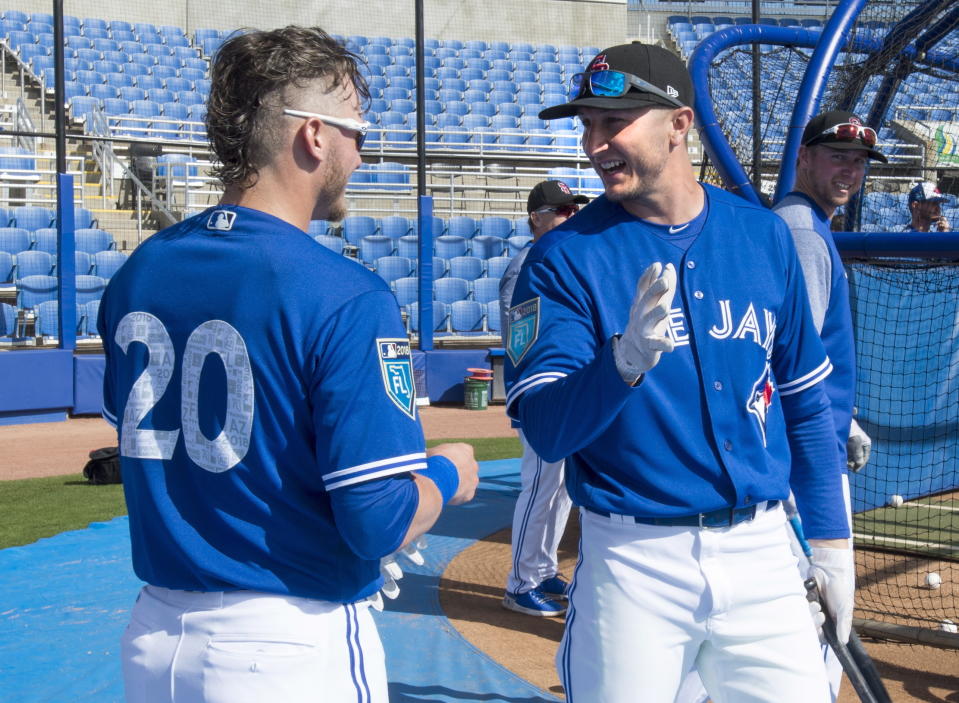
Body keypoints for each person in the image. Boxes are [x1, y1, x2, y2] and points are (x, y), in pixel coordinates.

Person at [98, 26, 479, 703]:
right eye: (357, 133)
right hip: (286, 640)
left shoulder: (141, 270)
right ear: (313, 136)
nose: (361, 155)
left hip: (155, 634)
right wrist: (448, 472)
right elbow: (377, 520)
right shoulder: (345, 294)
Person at [504, 42, 853, 702]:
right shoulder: (560, 260)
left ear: (678, 124)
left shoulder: (763, 237)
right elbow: (547, 432)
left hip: (762, 554)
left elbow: (807, 405)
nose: (593, 143)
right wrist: (620, 362)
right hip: (634, 563)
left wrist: (831, 542)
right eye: (586, 125)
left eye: (614, 123)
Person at [774, 111, 884, 699]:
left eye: (860, 161)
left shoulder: (802, 223)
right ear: (805, 157)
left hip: (814, 437)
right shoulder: (803, 233)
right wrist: (824, 436)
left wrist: (848, 419)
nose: (851, 170)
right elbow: (788, 366)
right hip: (805, 455)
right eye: (837, 156)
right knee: (819, 615)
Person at [499, 180, 588, 617]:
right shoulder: (526, 265)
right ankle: (519, 583)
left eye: (573, 210)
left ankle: (542, 567)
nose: (570, 216)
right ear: (536, 217)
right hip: (542, 399)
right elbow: (522, 343)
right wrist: (530, 403)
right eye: (561, 210)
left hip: (568, 396)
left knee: (560, 492)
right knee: (538, 489)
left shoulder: (557, 259)